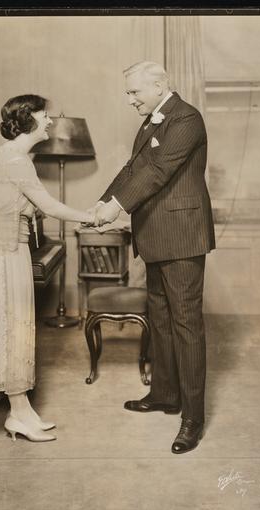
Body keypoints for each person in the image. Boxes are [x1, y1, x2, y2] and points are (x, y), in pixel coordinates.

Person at [94, 61, 215, 454]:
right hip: (154, 236)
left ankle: (193, 418)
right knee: (160, 319)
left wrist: (116, 208)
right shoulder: (151, 122)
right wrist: (102, 202)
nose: (130, 100)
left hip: (182, 237)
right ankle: (165, 394)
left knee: (186, 325)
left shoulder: (186, 119)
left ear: (160, 85)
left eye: (134, 92)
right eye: (128, 93)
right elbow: (133, 169)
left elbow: (159, 171)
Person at [0, 94, 94, 442]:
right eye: (45, 115)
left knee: (14, 328)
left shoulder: (8, 155)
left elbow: (28, 206)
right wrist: (92, 218)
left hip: (5, 251)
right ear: (29, 119)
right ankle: (19, 414)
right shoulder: (16, 160)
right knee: (11, 329)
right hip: (4, 254)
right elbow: (49, 206)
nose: (50, 121)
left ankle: (21, 411)